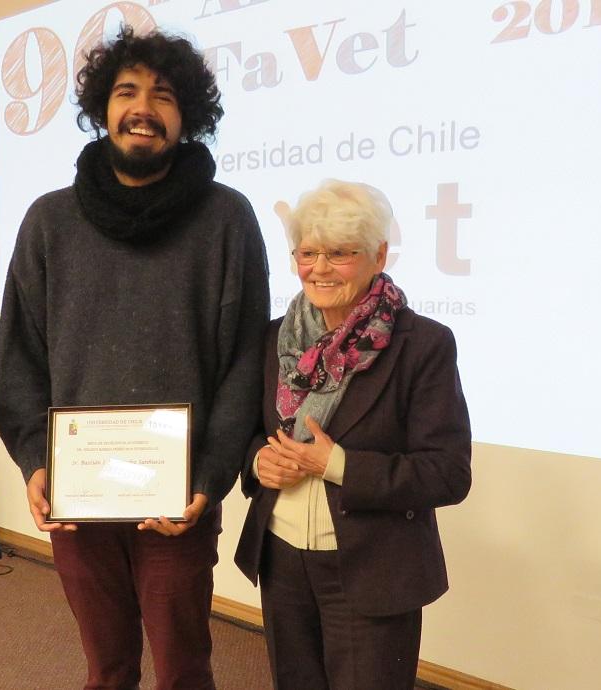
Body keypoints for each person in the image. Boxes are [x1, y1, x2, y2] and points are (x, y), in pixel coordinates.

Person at [0, 25, 270, 690]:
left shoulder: (227, 219)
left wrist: (210, 475)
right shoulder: (48, 221)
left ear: (188, 115)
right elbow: (18, 358)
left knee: (183, 669)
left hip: (176, 501)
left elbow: (244, 363)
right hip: (78, 499)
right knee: (107, 668)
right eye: (126, 91)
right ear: (100, 107)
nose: (142, 106)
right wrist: (36, 458)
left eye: (163, 94)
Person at [233, 180, 472, 690]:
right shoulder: (275, 337)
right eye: (308, 252)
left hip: (373, 568)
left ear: (379, 254)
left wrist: (336, 464)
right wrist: (258, 463)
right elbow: (253, 434)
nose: (319, 268)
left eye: (339, 253)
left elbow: (448, 473)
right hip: (282, 559)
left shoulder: (423, 344)